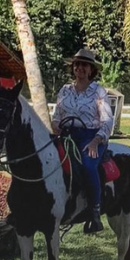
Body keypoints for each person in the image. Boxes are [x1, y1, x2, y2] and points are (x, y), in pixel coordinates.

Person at [52, 48, 114, 234]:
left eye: (84, 65)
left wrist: (96, 141)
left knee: (88, 165)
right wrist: (56, 127)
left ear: (91, 70)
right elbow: (56, 116)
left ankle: (94, 212)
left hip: (91, 135)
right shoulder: (65, 90)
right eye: (77, 64)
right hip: (66, 135)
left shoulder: (98, 92)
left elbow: (107, 120)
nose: (80, 68)